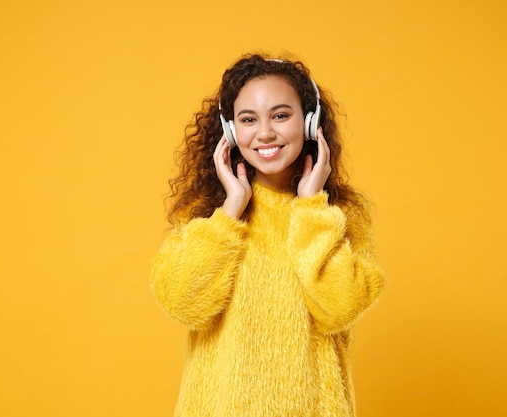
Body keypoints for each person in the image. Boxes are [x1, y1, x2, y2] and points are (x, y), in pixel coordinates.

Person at [150, 53, 385, 417]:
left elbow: (339, 309)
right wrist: (231, 211)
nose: (265, 133)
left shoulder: (340, 216)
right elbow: (183, 303)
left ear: (310, 123)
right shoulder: (205, 213)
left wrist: (310, 208)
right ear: (230, 131)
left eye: (280, 115)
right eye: (248, 119)